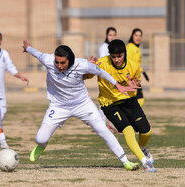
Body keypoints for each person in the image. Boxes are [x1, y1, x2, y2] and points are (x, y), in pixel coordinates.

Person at [22, 40, 140, 171]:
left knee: (103, 130)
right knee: (40, 138)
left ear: (70, 60)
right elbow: (37, 53)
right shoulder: (49, 60)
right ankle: (42, 146)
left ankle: (126, 162)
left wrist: (118, 85)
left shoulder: (82, 64)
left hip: (83, 105)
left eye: (63, 63)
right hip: (58, 106)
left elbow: (102, 72)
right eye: (57, 62)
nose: (59, 66)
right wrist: (28, 48)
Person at [86, 39, 156, 172]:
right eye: (113, 57)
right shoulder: (102, 63)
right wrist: (88, 66)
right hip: (109, 103)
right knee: (127, 129)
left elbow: (135, 84)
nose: (117, 60)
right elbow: (85, 76)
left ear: (124, 54)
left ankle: (141, 149)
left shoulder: (133, 65)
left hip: (129, 100)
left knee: (147, 131)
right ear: (109, 55)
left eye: (119, 56)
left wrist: (132, 87)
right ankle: (144, 161)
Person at [126, 28, 149, 106]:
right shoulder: (130, 47)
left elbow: (136, 64)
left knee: (139, 101)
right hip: (132, 79)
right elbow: (127, 63)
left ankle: (131, 116)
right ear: (132, 36)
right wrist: (128, 77)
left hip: (137, 78)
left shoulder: (137, 48)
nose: (138, 37)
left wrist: (143, 72)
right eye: (136, 35)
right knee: (138, 101)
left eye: (140, 36)